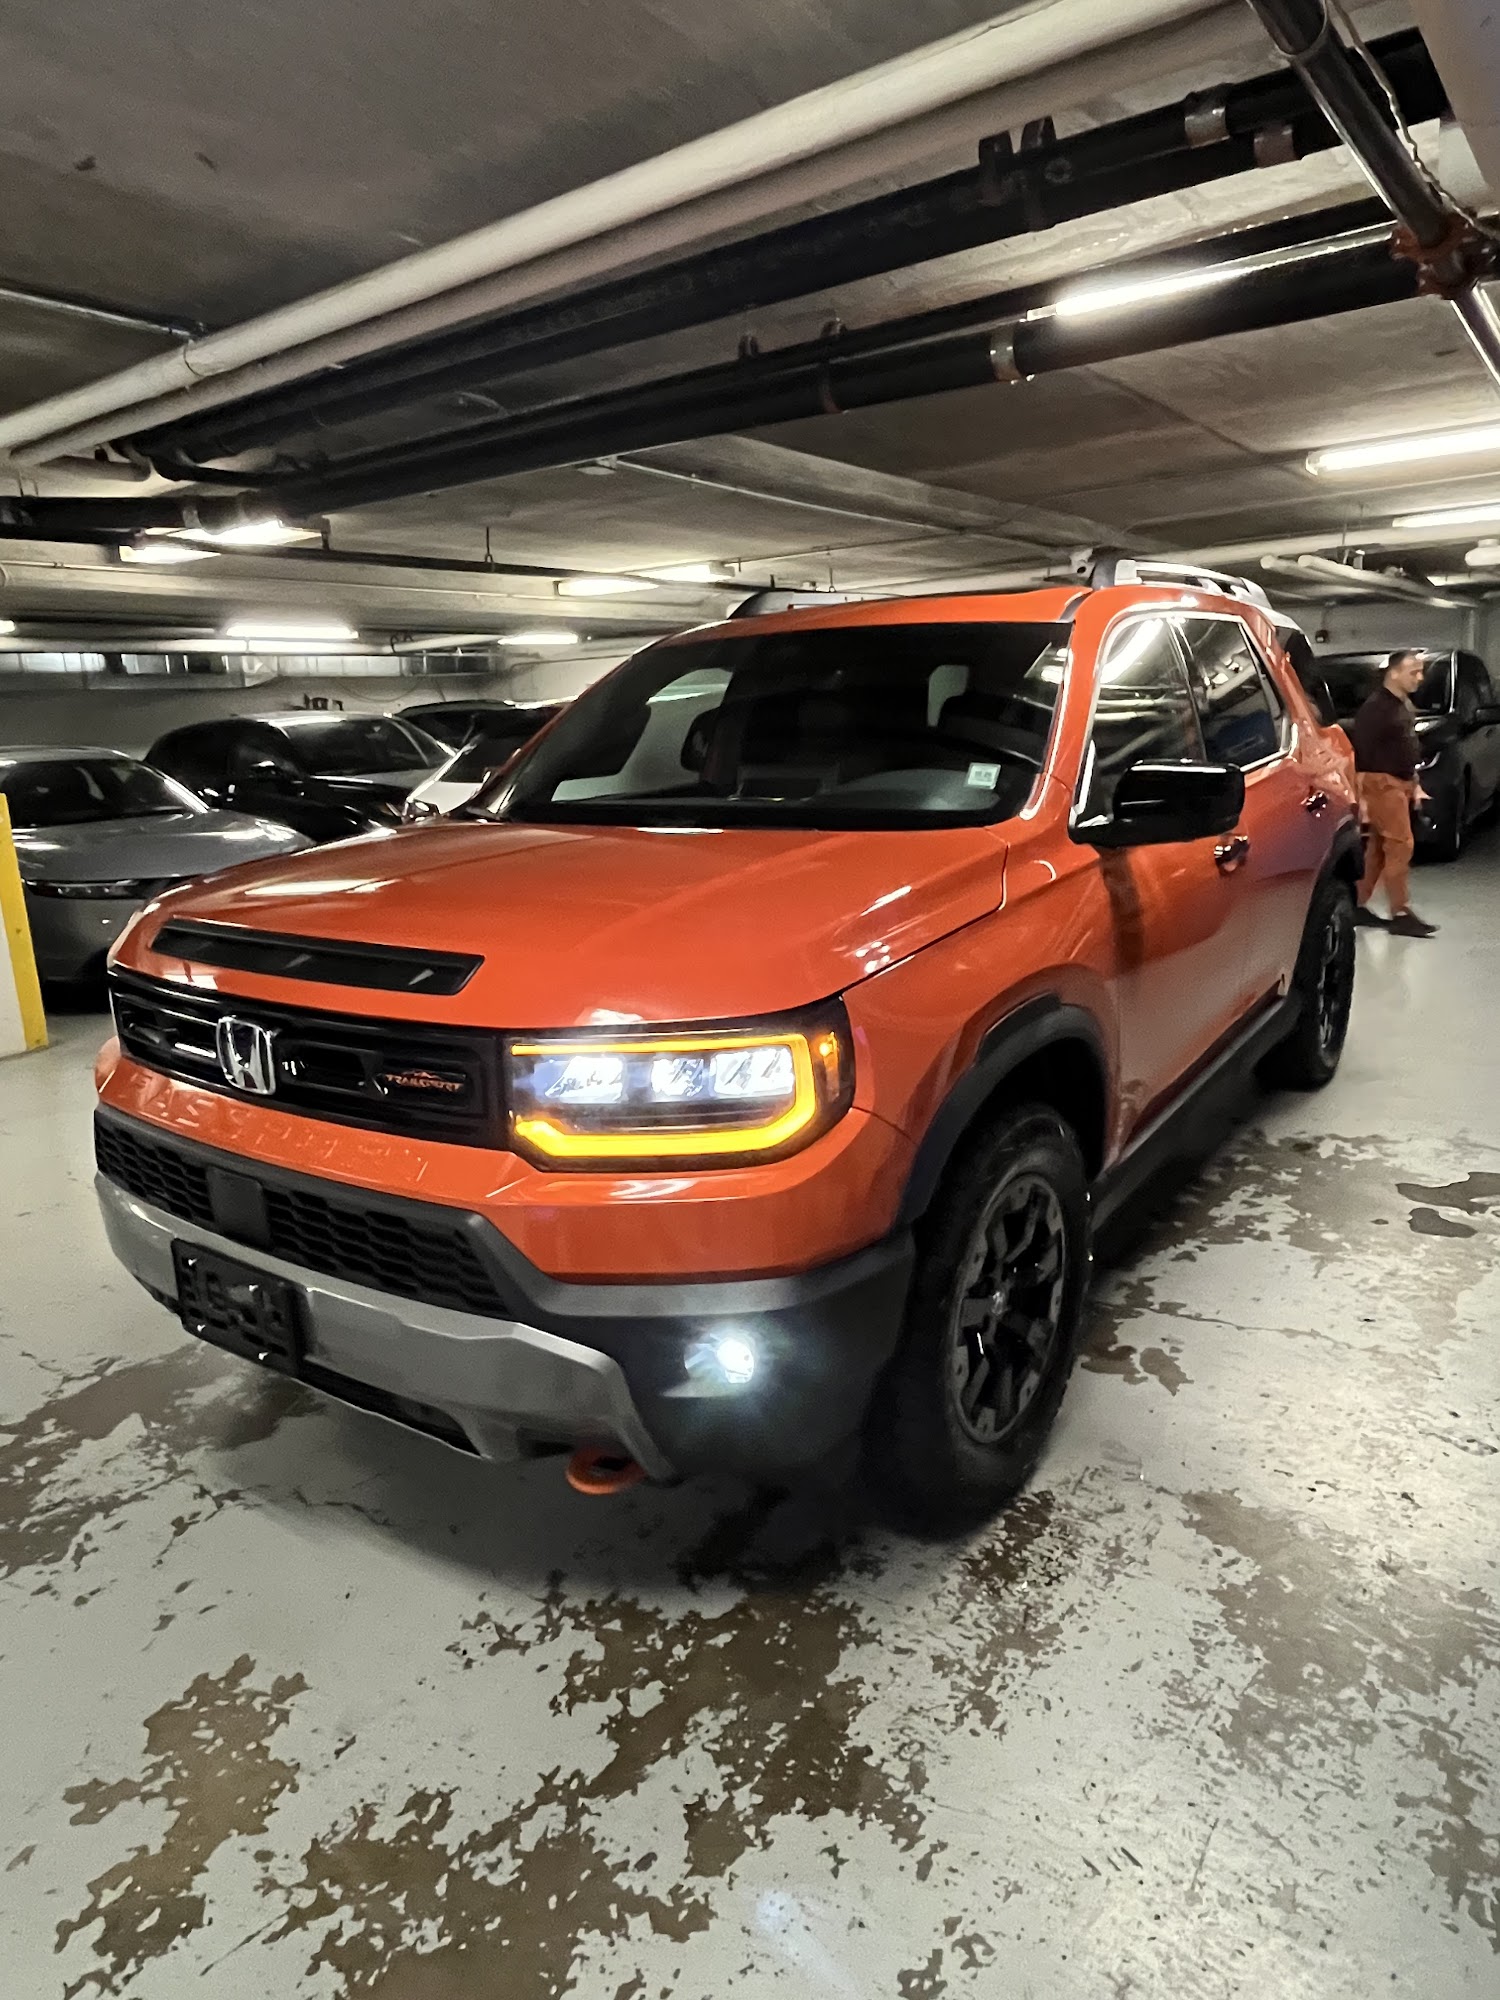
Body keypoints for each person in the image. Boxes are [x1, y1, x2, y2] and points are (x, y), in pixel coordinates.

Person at [1350, 649, 1437, 938]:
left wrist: (1414, 784)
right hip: (1382, 785)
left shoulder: (1401, 705)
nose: (1419, 678)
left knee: (1378, 849)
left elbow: (1405, 747)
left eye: (1421, 672)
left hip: (1397, 783)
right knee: (1401, 845)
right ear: (1394, 673)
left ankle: (1357, 903)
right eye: (1413, 672)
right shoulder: (1376, 709)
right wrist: (1362, 795)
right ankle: (1400, 913)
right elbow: (1361, 754)